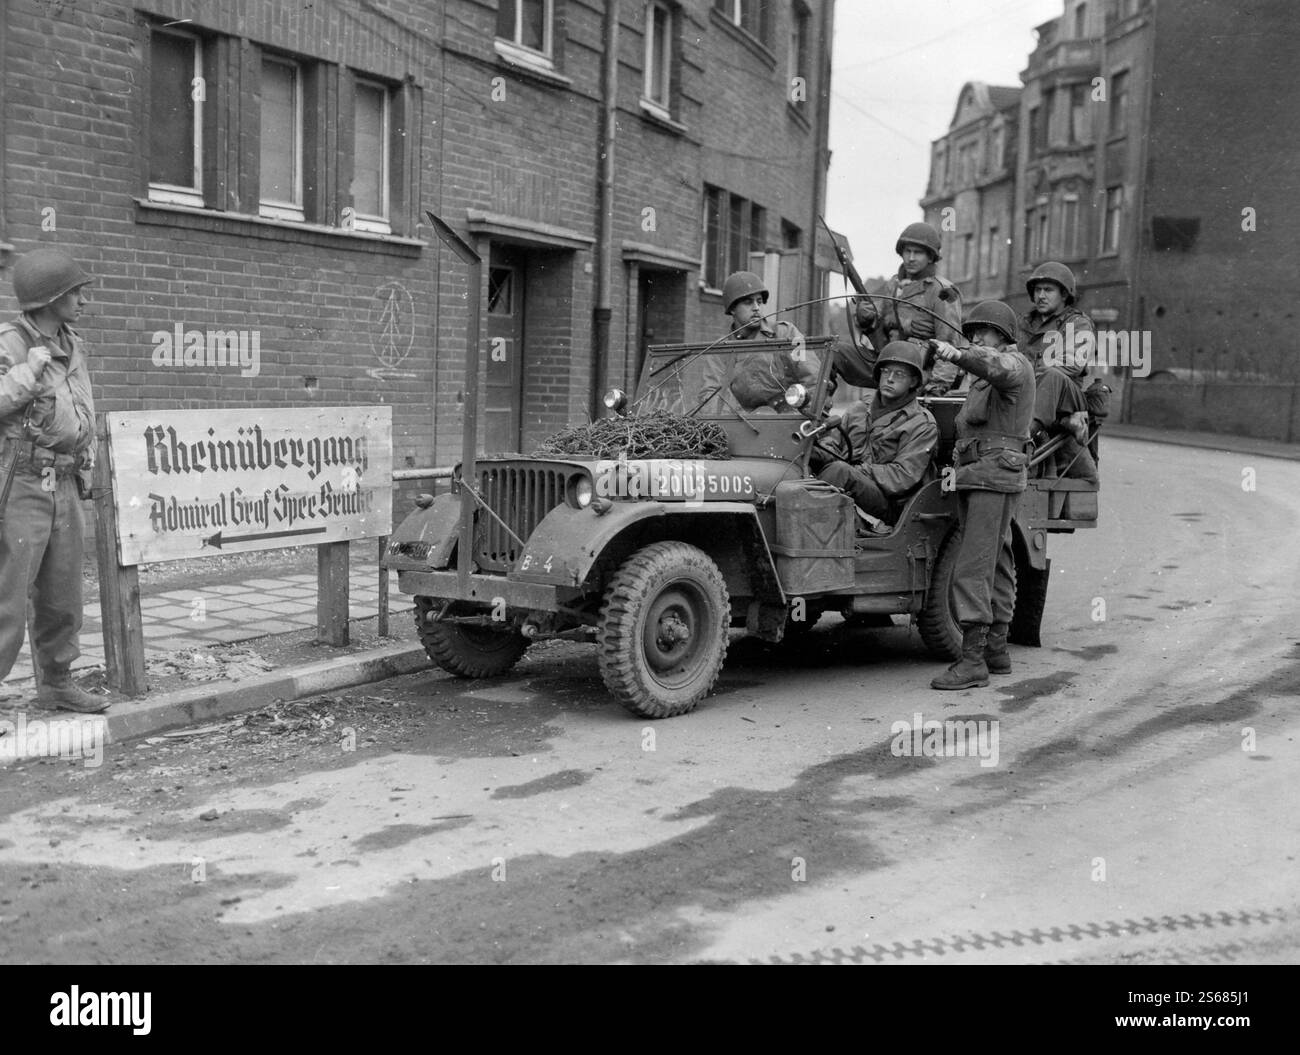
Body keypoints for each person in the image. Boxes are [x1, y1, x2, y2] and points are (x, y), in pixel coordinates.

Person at [0, 247, 104, 712]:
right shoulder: (9, 342)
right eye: (75, 292)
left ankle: (58, 683)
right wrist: (29, 372)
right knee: (7, 597)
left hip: (64, 480)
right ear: (49, 297)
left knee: (64, 594)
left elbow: (82, 407)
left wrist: (87, 462)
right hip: (20, 481)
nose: (83, 300)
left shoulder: (72, 340)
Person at [927, 300, 1034, 689]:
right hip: (983, 473)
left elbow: (994, 364)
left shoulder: (1012, 364)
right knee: (999, 558)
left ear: (1004, 337)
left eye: (983, 333)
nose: (976, 338)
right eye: (971, 333)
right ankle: (996, 650)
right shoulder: (984, 377)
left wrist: (959, 353)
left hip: (991, 474)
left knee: (973, 564)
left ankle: (973, 661)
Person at [811, 341, 938, 531]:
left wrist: (858, 471)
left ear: (913, 382)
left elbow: (902, 476)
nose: (890, 379)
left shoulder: (921, 423)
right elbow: (835, 444)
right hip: (848, 485)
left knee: (839, 471)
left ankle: (810, 533)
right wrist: (817, 451)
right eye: (886, 371)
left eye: (899, 374)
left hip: (889, 503)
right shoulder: (859, 409)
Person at [852, 222, 964, 395]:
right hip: (886, 365)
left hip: (919, 375)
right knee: (836, 353)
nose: (911, 258)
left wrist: (935, 388)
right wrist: (866, 319)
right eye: (907, 251)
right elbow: (878, 329)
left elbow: (949, 345)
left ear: (931, 257)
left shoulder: (943, 291)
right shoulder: (893, 285)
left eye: (918, 252)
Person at [1019, 262, 1098, 483]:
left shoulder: (1078, 323)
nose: (1041, 296)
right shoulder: (1024, 323)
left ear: (1064, 294)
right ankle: (1064, 423)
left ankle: (1024, 438)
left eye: (1048, 290)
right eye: (1037, 290)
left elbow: (1072, 364)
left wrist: (1026, 372)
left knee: (1052, 376)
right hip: (1028, 395)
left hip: (1065, 395)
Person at [699, 270, 819, 414]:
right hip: (744, 427)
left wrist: (807, 416)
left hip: (790, 423)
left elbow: (814, 378)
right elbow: (712, 394)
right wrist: (743, 423)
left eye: (759, 302)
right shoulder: (720, 351)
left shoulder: (786, 334)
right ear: (732, 309)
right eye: (748, 302)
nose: (756, 307)